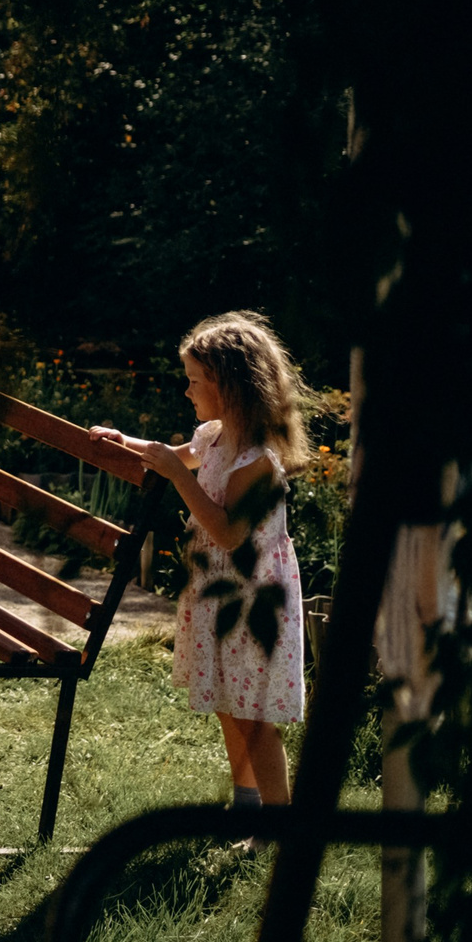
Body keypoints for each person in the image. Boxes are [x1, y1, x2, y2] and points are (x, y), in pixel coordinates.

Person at [90, 311, 309, 813]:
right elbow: (175, 455)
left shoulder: (255, 459)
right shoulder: (215, 436)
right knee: (232, 709)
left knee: (254, 716)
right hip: (218, 592)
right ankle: (246, 807)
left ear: (230, 387)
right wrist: (124, 442)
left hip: (252, 599)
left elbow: (231, 533)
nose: (187, 392)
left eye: (194, 381)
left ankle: (278, 824)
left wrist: (176, 477)